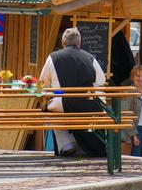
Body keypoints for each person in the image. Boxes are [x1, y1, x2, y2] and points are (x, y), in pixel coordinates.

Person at [39, 27, 107, 157]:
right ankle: (86, 145)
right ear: (79, 43)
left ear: (63, 43)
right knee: (82, 108)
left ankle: (65, 143)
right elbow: (100, 81)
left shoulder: (53, 57)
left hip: (63, 103)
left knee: (49, 109)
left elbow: (43, 83)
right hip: (88, 104)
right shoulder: (90, 57)